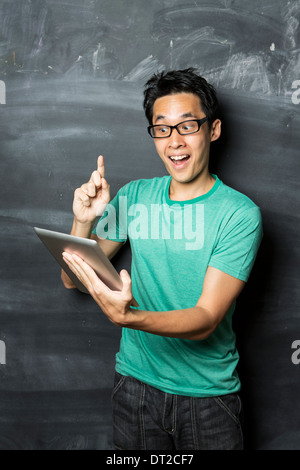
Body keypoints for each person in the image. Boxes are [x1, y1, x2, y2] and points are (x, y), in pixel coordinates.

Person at [61, 68, 263, 450]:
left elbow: (205, 319)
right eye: (162, 128)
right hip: (134, 388)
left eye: (187, 126)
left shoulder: (239, 214)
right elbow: (73, 280)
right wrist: (82, 222)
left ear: (213, 130)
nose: (175, 142)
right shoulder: (135, 196)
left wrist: (130, 318)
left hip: (207, 397)